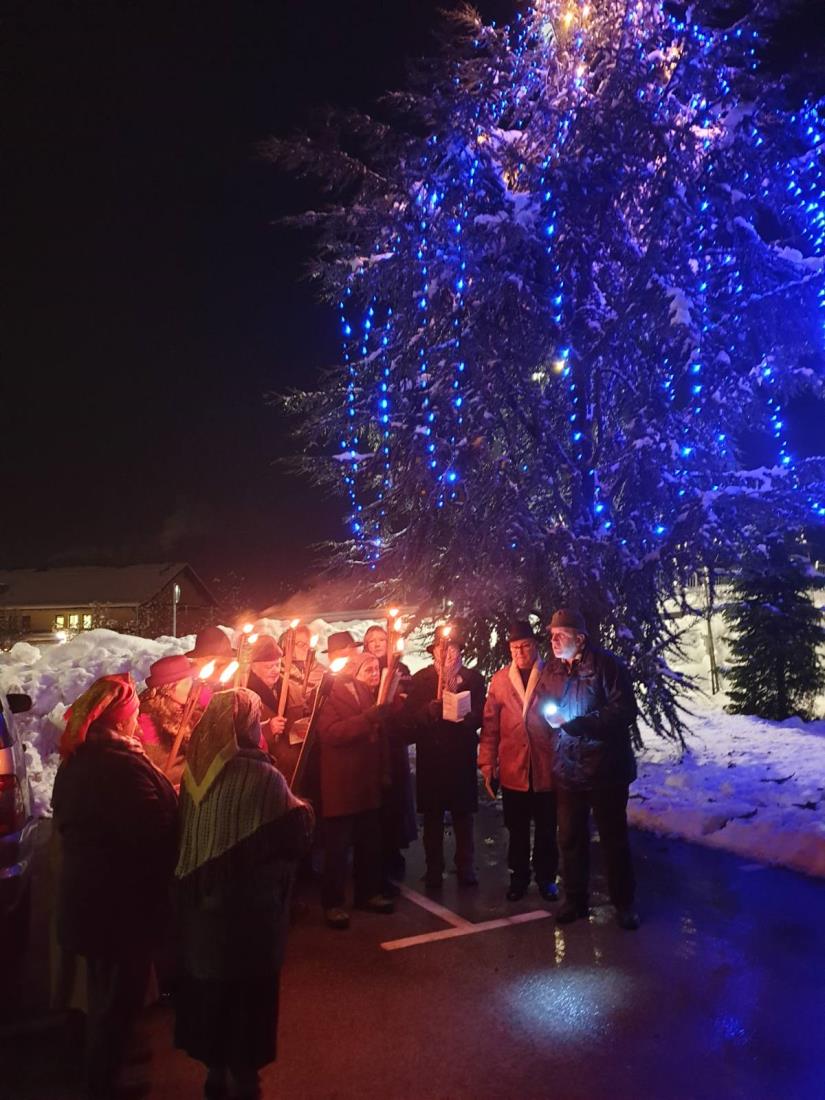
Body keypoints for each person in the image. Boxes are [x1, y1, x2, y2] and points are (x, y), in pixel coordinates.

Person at [174, 688, 314, 1100]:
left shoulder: (193, 777)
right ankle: (245, 1077)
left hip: (203, 910)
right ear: (246, 727)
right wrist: (301, 808)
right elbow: (295, 836)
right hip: (249, 916)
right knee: (246, 998)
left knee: (212, 993)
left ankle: (215, 1073)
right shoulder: (263, 777)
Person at [52, 674, 178, 1100]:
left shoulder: (85, 758)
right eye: (135, 714)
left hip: (95, 905)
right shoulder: (116, 766)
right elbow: (150, 831)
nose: (139, 719)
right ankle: (103, 1084)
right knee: (117, 1003)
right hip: (117, 909)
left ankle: (104, 1072)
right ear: (120, 721)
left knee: (107, 996)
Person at [533, 608, 640, 930]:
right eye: (552, 635)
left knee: (613, 839)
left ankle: (624, 903)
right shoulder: (552, 669)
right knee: (570, 838)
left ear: (580, 639)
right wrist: (548, 719)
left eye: (560, 635)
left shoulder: (607, 665)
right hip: (568, 769)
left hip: (606, 770)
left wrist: (581, 725)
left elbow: (623, 710)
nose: (554, 641)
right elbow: (541, 702)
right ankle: (575, 899)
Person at [316, 641, 396, 929]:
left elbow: (379, 732)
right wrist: (367, 719)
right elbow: (330, 733)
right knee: (337, 849)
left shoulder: (362, 689)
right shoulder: (326, 694)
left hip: (365, 781)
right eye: (346, 659)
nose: (350, 662)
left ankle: (367, 893)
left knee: (368, 843)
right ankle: (333, 903)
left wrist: (383, 769)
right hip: (341, 783)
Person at [479, 620, 559, 902]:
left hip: (545, 767)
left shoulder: (551, 675)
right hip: (514, 768)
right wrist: (487, 764)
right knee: (517, 829)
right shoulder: (501, 680)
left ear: (534, 646)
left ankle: (547, 877)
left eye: (525, 646)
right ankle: (519, 876)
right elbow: (490, 726)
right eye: (515, 648)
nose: (520, 652)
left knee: (547, 828)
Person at [405, 625, 485, 888]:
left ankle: (466, 866)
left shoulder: (473, 679)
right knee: (433, 816)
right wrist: (429, 711)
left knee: (463, 815)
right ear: (433, 652)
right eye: (441, 649)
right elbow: (410, 718)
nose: (446, 653)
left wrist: (468, 717)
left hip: (460, 755)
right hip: (432, 756)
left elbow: (482, 713)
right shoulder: (422, 679)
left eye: (451, 648)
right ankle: (433, 868)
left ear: (459, 650)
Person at [363, 626, 416, 888]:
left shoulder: (399, 669)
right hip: (372, 748)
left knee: (395, 803)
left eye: (381, 640)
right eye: (371, 641)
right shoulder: (363, 671)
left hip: (394, 746)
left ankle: (394, 853)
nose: (376, 644)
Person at [246, 635, 308, 786]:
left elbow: (303, 713)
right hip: (265, 771)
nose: (275, 671)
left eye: (277, 665)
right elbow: (238, 734)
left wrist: (304, 726)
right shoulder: (244, 694)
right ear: (253, 667)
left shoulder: (291, 687)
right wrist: (268, 729)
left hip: (294, 766)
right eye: (268, 667)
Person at [138, 653, 199, 788]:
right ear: (169, 688)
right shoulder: (146, 720)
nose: (192, 686)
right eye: (186, 682)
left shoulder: (181, 707)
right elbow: (164, 768)